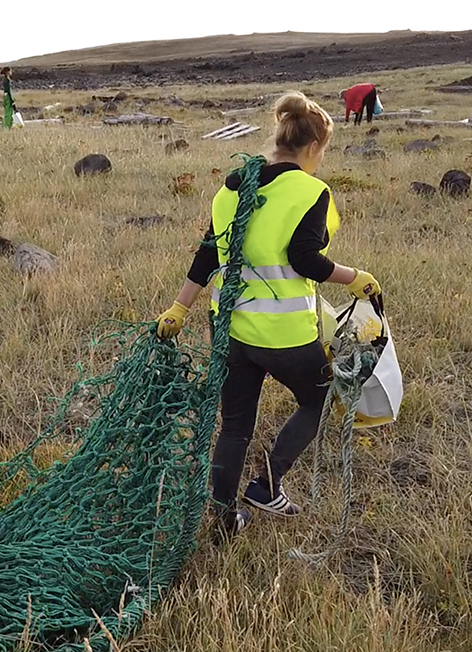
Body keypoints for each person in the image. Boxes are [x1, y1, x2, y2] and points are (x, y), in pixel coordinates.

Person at [154, 91, 380, 539]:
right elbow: (304, 260)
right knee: (318, 399)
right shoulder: (311, 191)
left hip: (229, 330)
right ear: (313, 147)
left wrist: (180, 306)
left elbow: (207, 255)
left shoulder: (232, 186)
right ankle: (267, 486)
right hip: (281, 334)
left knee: (236, 422)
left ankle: (221, 521)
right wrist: (355, 277)